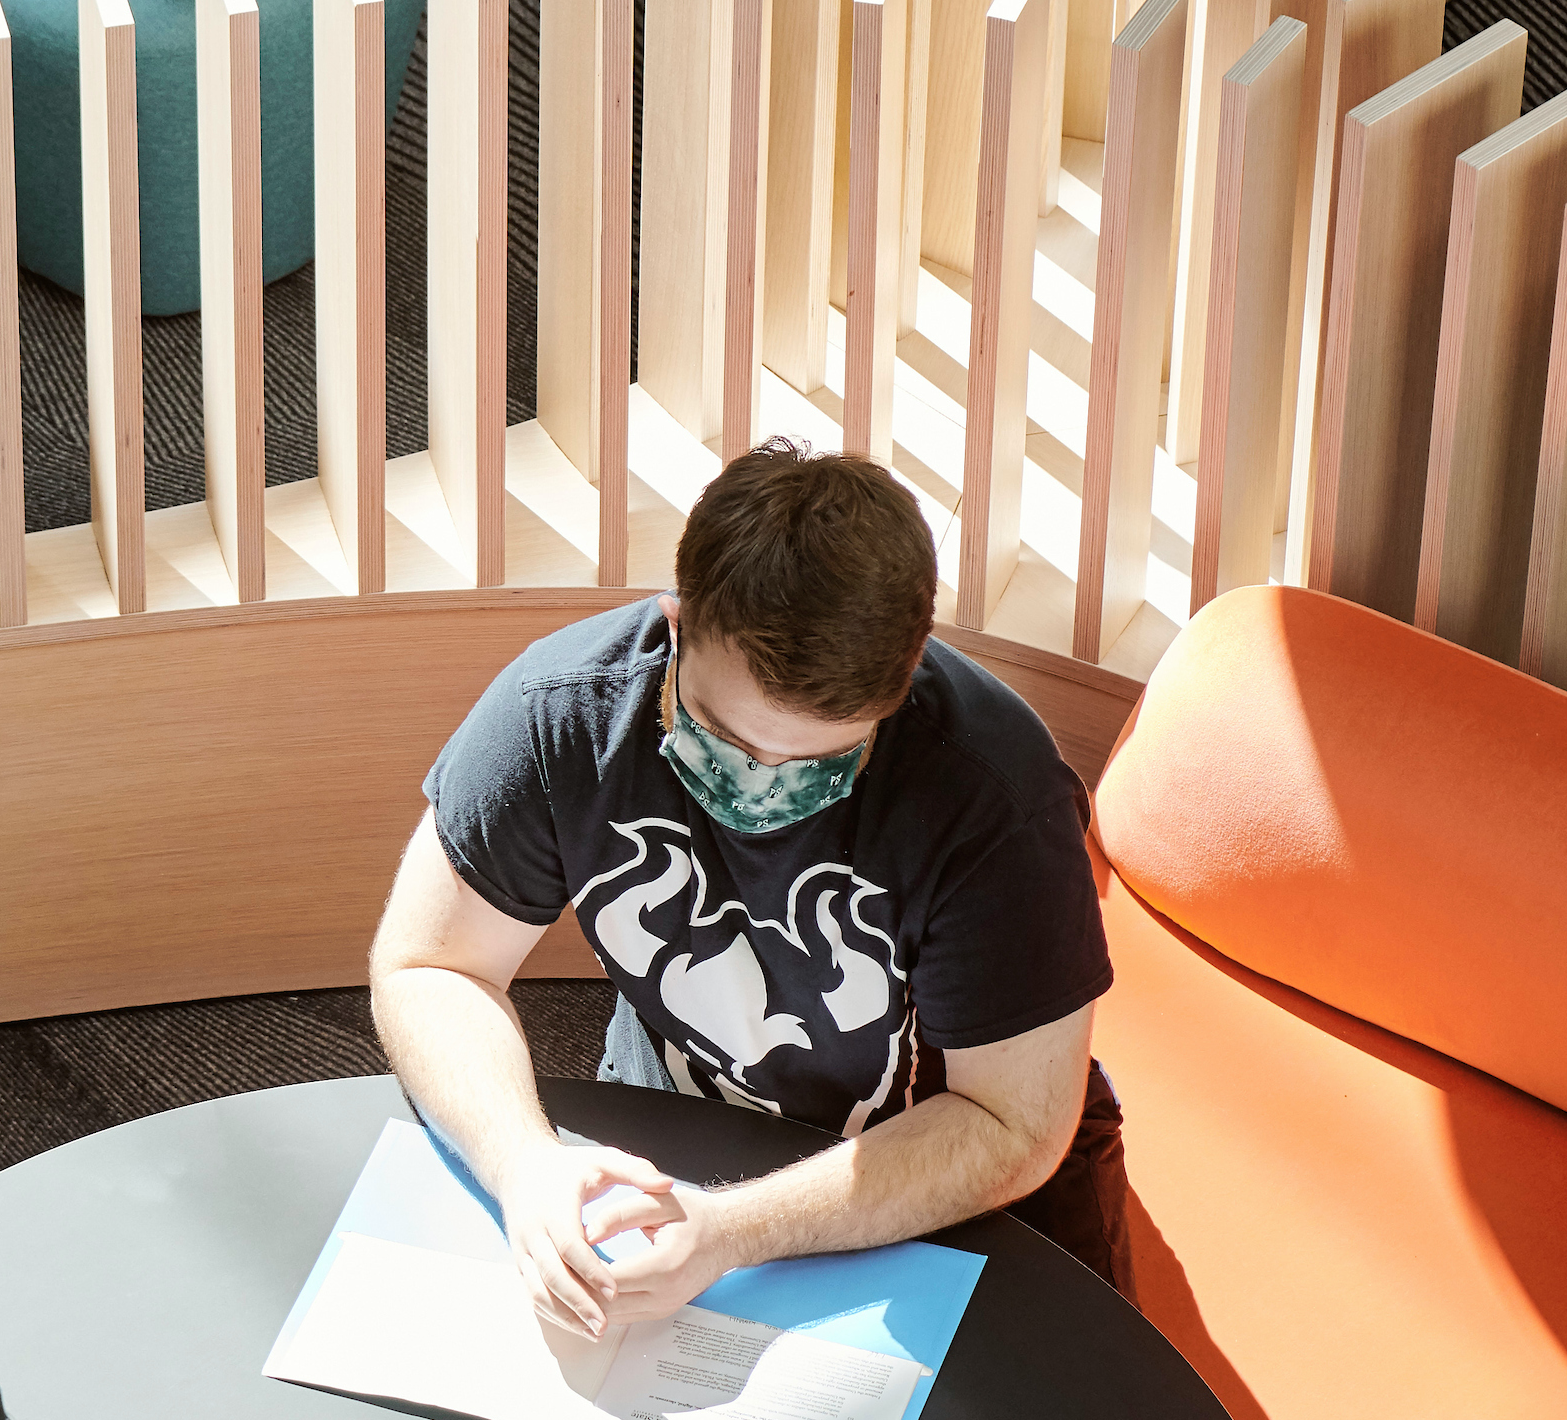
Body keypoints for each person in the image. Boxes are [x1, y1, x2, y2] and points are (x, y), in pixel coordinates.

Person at [372, 439, 1129, 1334]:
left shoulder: (998, 801)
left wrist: (732, 1232)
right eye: (723, 735)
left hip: (969, 1195)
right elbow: (431, 966)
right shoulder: (565, 710)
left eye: (820, 759)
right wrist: (524, 1162)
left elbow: (1009, 1125)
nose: (760, 787)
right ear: (676, 620)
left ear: (906, 677)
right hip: (683, 1128)